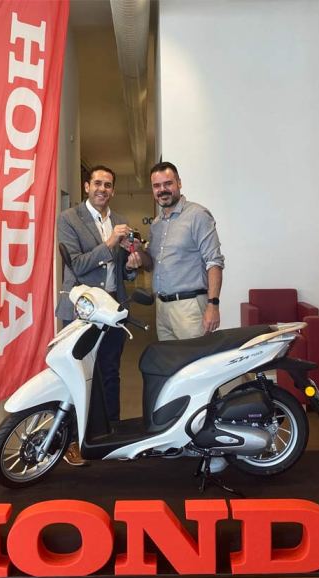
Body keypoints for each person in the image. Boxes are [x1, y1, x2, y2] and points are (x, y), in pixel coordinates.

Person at [56, 165, 136, 465]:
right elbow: (76, 265)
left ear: (113, 191)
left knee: (110, 373)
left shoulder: (120, 220)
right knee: (78, 376)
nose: (103, 189)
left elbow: (122, 272)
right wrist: (110, 243)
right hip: (83, 311)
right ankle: (73, 440)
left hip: (113, 310)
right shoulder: (69, 219)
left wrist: (131, 264)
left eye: (108, 185)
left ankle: (111, 436)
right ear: (87, 186)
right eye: (98, 183)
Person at [128, 162, 224, 341]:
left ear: (179, 183)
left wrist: (213, 305)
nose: (162, 190)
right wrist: (138, 251)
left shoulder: (197, 215)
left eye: (168, 183)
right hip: (162, 309)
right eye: (157, 186)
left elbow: (214, 262)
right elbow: (151, 265)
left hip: (190, 308)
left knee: (195, 358)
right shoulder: (156, 224)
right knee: (170, 358)